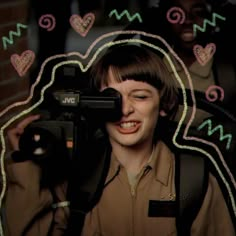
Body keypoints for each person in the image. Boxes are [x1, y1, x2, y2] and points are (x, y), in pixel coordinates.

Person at [3, 44, 235, 235]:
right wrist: (27, 167)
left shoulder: (192, 178)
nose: (125, 109)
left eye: (140, 96)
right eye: (111, 99)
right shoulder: (75, 178)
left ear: (163, 105)